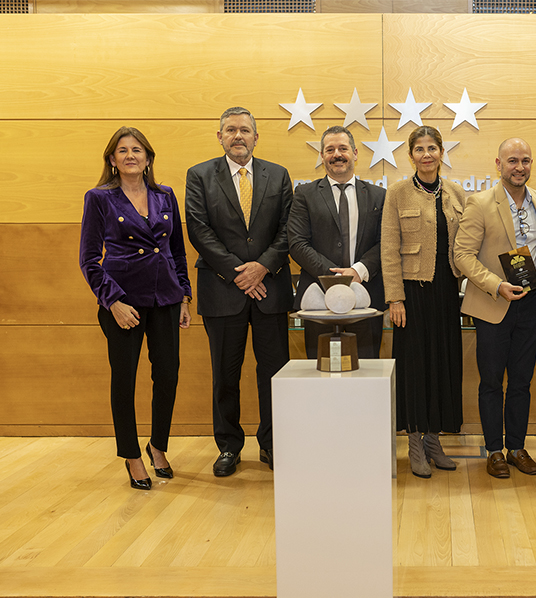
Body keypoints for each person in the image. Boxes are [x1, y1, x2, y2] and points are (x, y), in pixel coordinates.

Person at [79, 126, 192, 490]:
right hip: (124, 303)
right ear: (112, 160)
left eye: (137, 150)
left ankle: (158, 445)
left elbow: (176, 250)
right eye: (123, 150)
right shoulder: (99, 198)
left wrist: (185, 296)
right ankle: (131, 456)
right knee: (124, 380)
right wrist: (112, 301)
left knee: (169, 376)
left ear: (148, 158)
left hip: (165, 299)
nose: (131, 155)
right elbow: (89, 260)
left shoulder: (165, 195)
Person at [185, 107, 294, 477]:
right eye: (230, 130)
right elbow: (199, 231)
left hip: (271, 290)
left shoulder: (278, 175)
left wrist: (262, 267)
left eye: (245, 130)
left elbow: (287, 229)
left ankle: (272, 443)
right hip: (222, 291)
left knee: (274, 374)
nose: (238, 136)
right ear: (220, 136)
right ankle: (229, 446)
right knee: (225, 376)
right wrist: (240, 274)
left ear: (256, 137)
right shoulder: (199, 175)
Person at [455, 138, 536, 479]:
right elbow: (462, 255)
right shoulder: (479, 203)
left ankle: (518, 448)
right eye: (512, 160)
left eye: (525, 160)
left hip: (529, 307)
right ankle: (494, 449)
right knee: (492, 382)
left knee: (522, 382)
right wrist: (496, 285)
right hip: (493, 306)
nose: (519, 166)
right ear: (499, 164)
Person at [381, 125, 466, 479]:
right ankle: (414, 441)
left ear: (442, 152)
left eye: (433, 148)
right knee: (415, 367)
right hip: (412, 294)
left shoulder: (457, 194)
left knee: (443, 364)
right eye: (420, 149)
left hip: (447, 294)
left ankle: (434, 440)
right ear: (411, 155)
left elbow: (467, 246)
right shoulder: (398, 193)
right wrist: (394, 298)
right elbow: (388, 248)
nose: (427, 154)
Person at [288, 125, 386, 359]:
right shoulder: (304, 194)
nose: (337, 154)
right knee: (321, 374)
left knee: (366, 372)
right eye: (329, 149)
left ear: (355, 153)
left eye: (343, 148)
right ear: (322, 156)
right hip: (318, 301)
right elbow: (297, 243)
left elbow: (387, 243)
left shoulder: (378, 196)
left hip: (366, 298)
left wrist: (357, 271)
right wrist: (334, 278)